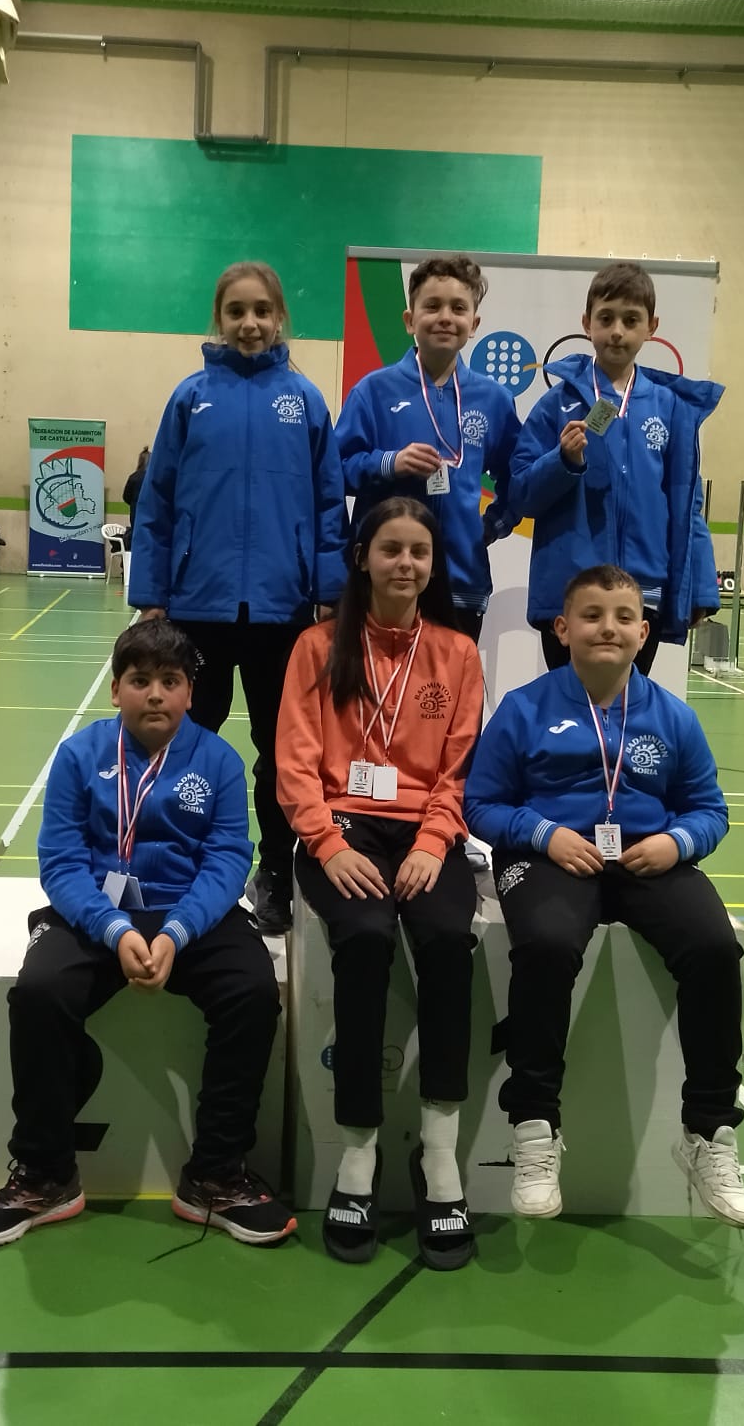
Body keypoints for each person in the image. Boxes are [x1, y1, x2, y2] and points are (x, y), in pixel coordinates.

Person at [0, 619, 295, 1249]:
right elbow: (59, 860)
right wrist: (113, 929)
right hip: (97, 916)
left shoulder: (218, 760)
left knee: (252, 991)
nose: (157, 695)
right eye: (141, 681)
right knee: (39, 993)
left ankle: (215, 1174)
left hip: (191, 917)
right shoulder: (80, 755)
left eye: (171, 681)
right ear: (116, 691)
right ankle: (46, 1173)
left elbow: (227, 859)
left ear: (192, 692)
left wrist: (174, 934)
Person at [463, 565, 744, 1229]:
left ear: (644, 631)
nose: (608, 628)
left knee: (714, 947)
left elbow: (710, 809)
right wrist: (543, 833)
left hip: (646, 862)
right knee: (545, 944)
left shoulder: (672, 718)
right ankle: (534, 1125)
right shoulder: (525, 709)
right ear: (563, 629)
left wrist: (677, 843)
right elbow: (480, 803)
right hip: (549, 857)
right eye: (591, 616)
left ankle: (709, 1132)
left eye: (623, 617)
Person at [275, 498, 484, 1270]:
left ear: (435, 565)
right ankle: (356, 1154)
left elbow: (459, 766)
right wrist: (327, 846)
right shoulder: (317, 647)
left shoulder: (458, 653)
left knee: (446, 940)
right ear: (363, 557)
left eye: (420, 552)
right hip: (343, 825)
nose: (406, 564)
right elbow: (293, 763)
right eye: (391, 549)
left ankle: (438, 1156)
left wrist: (434, 842)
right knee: (363, 939)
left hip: (423, 831)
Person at [129, 260, 349, 935]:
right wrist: (153, 594)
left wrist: (330, 592)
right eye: (236, 311)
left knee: (280, 751)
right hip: (197, 606)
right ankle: (177, 865)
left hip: (281, 613)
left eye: (262, 310)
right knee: (182, 744)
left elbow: (326, 504)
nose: (250, 323)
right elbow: (157, 501)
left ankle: (275, 872)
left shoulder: (306, 401)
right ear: (218, 320)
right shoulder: (191, 398)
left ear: (280, 317)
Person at [509, 261, 723, 675]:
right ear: (587, 323)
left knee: (628, 717)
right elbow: (520, 495)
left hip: (643, 597)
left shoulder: (672, 409)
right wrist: (562, 462)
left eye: (631, 320)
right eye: (606, 319)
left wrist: (700, 587)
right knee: (570, 718)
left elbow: (686, 505)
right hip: (573, 593)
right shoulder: (557, 406)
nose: (617, 331)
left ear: (652, 326)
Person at [335, 255, 521, 642]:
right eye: (432, 306)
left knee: (449, 696)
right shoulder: (373, 391)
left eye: (458, 308)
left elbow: (518, 475)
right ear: (409, 320)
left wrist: (493, 525)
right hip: (384, 579)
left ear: (474, 324)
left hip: (461, 579)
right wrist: (390, 463)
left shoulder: (493, 399)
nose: (445, 317)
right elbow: (335, 470)